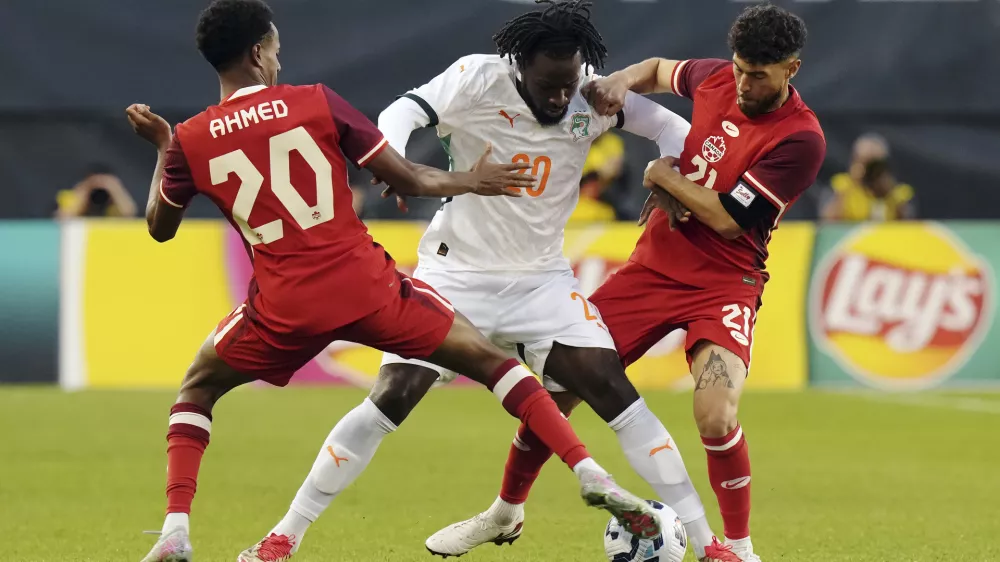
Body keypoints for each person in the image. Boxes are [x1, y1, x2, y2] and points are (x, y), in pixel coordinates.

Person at [129, 2, 661, 561]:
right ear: (259, 51)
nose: (279, 60)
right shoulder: (315, 101)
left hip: (282, 305)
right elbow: (405, 175)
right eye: (276, 49)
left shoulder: (190, 140)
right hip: (366, 286)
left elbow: (159, 228)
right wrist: (471, 181)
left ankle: (175, 531)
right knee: (495, 364)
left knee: (197, 388)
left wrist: (165, 149)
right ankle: (589, 470)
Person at [432, 4, 827, 562]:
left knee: (716, 414)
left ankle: (737, 549)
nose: (743, 82)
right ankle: (505, 512)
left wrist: (662, 173)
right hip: (652, 269)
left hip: (725, 281)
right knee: (557, 393)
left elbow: (726, 218)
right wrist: (616, 83)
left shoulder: (801, 139)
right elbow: (659, 68)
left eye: (759, 75)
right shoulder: (714, 76)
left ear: (793, 69)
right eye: (740, 68)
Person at [819, 132, 915, 221]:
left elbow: (910, 226)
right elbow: (827, 222)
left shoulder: (898, 191)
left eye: (874, 165)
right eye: (865, 163)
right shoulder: (841, 185)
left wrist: (890, 193)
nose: (870, 171)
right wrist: (849, 187)